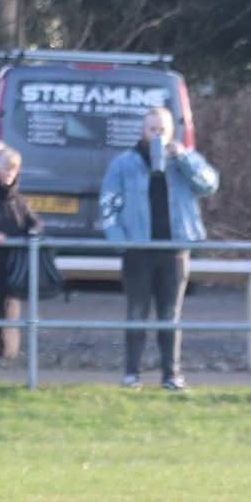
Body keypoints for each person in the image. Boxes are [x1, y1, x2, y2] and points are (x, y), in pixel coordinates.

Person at [100, 106, 219, 391]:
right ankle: (131, 375)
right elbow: (108, 204)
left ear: (171, 131)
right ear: (143, 131)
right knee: (136, 313)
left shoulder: (184, 160)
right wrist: (121, 243)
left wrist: (183, 158)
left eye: (162, 129)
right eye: (152, 128)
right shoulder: (124, 164)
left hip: (174, 250)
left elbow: (209, 185)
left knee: (170, 315)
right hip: (138, 251)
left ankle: (171, 376)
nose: (157, 134)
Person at [0, 143, 39, 383]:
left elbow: (31, 222)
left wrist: (34, 233)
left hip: (4, 276)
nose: (10, 174)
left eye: (14, 170)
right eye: (6, 168)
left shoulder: (15, 199)